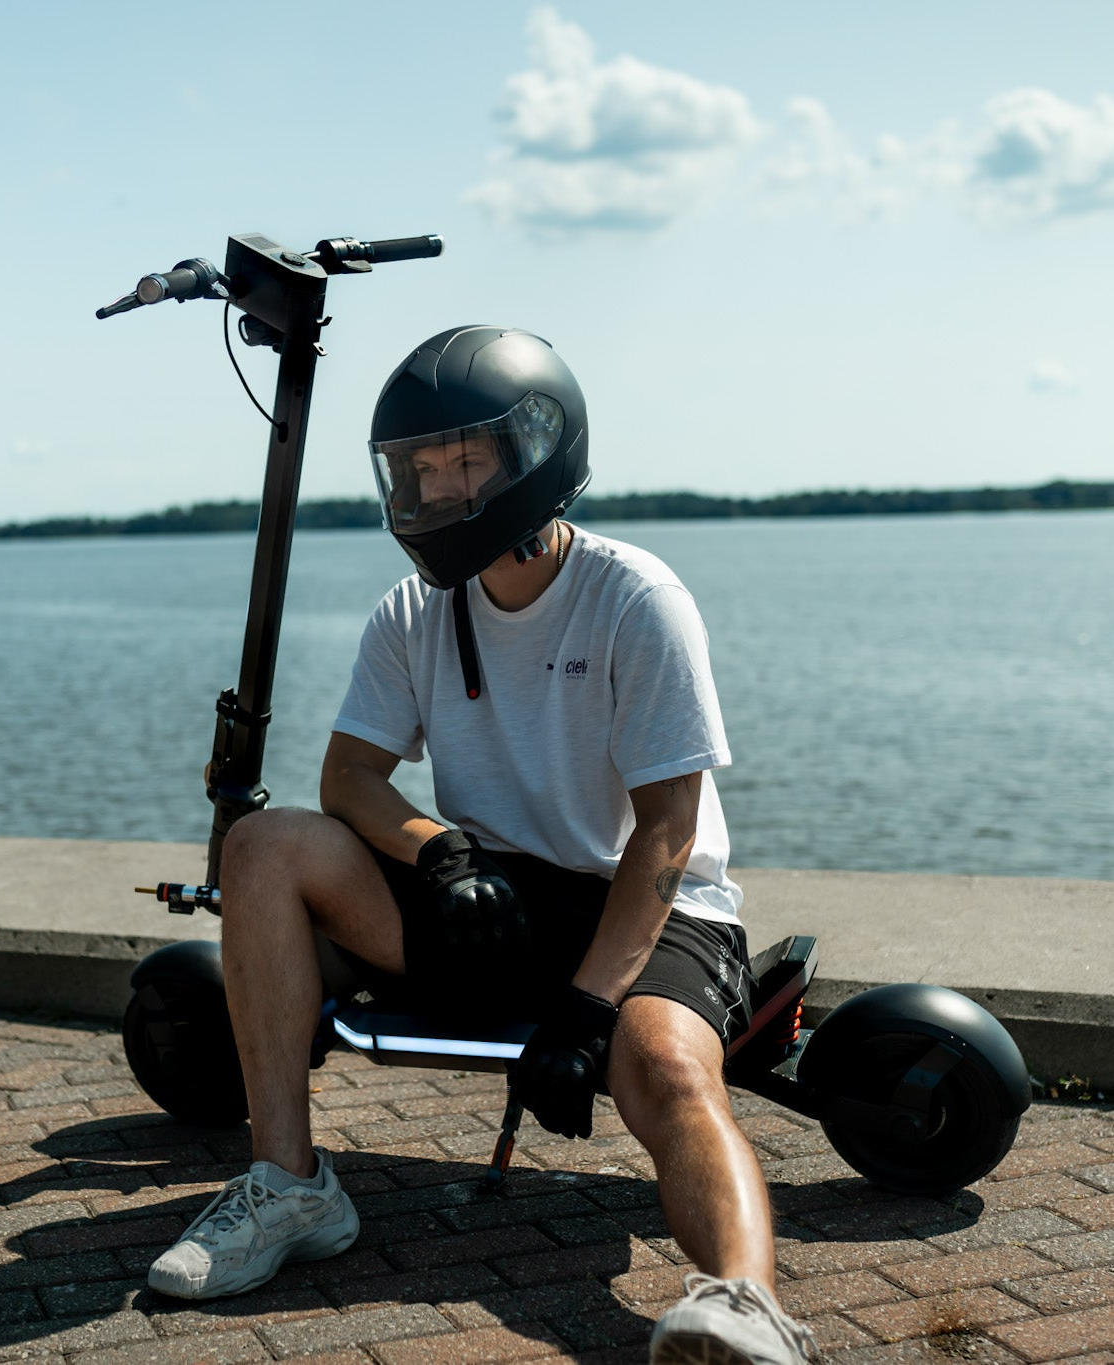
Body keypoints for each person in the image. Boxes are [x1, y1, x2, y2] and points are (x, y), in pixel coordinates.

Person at [147, 326, 818, 1365]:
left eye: (459, 458)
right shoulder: (415, 610)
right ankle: (289, 1188)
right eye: (414, 466)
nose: (430, 484)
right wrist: (438, 854)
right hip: (494, 898)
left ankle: (743, 1309)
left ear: (531, 454)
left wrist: (591, 1011)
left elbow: (668, 835)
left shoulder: (636, 598)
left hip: (649, 911)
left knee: (665, 1069)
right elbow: (349, 781)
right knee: (266, 845)